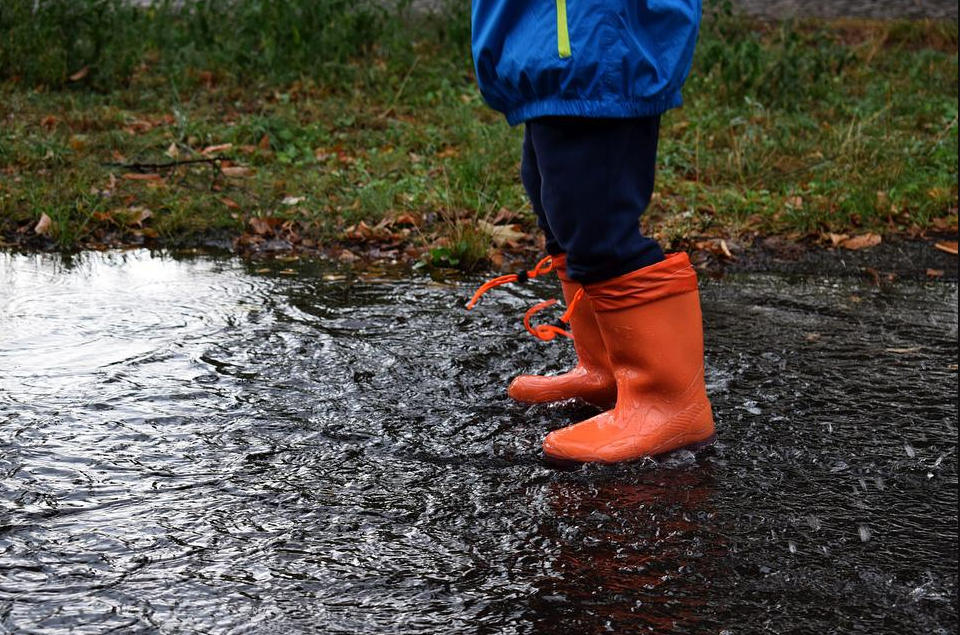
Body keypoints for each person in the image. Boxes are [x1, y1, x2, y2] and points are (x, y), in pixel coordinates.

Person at [470, 0, 716, 464]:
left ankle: (667, 402)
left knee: (595, 221)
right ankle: (607, 368)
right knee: (556, 203)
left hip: (596, 45)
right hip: (550, 46)